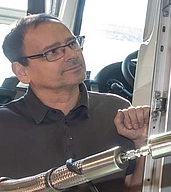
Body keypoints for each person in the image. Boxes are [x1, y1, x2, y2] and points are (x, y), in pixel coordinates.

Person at [0, 14, 150, 191]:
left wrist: (142, 141)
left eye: (72, 43)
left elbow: (133, 187)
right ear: (21, 71)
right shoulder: (4, 125)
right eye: (53, 52)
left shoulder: (117, 111)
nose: (72, 55)